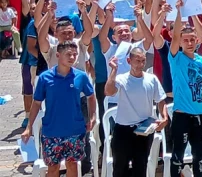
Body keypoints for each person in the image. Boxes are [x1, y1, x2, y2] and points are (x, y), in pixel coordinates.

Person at [21, 41, 96, 177]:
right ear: (58, 55)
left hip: (75, 130)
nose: (72, 58)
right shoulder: (45, 78)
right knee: (53, 167)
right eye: (68, 54)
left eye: (75, 54)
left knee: (73, 165)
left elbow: (91, 96)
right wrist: (29, 127)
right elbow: (37, 103)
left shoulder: (81, 76)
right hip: (52, 131)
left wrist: (92, 117)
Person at [105, 47, 168, 177]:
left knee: (140, 167)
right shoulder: (122, 79)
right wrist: (114, 70)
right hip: (123, 130)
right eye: (137, 61)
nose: (140, 64)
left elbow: (161, 100)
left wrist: (165, 117)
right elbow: (109, 91)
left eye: (143, 61)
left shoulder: (152, 79)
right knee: (120, 168)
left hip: (144, 130)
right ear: (129, 61)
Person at [168, 3, 202, 177]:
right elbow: (174, 38)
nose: (189, 43)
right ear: (180, 42)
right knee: (178, 156)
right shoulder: (176, 58)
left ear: (196, 41)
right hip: (181, 115)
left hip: (199, 115)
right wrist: (179, 11)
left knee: (199, 157)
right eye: (185, 40)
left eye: (192, 39)